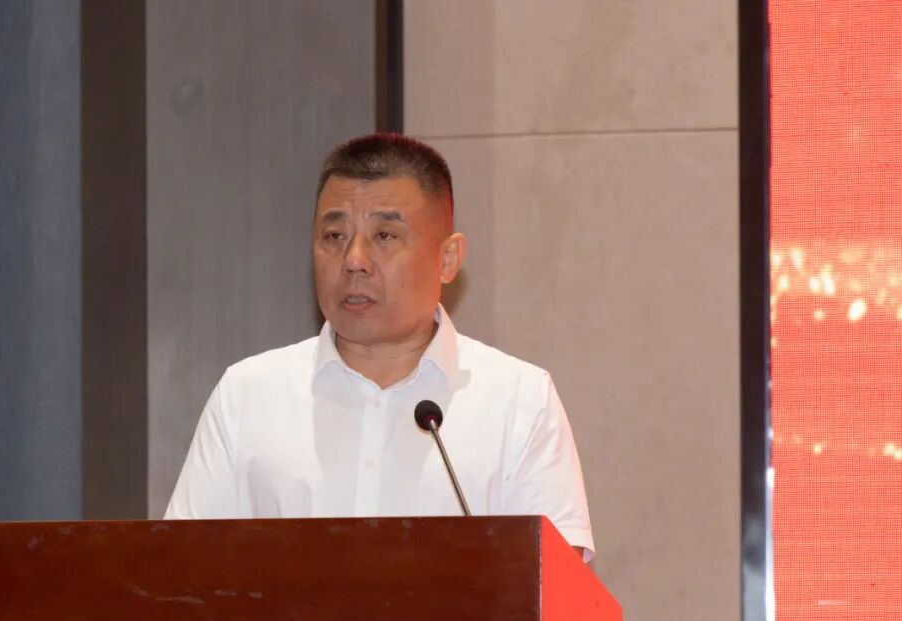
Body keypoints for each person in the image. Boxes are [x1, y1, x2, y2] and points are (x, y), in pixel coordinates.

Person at [164, 134, 594, 560]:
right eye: (334, 235)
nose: (353, 259)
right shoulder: (247, 395)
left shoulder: (519, 401)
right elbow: (181, 570)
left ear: (447, 259)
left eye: (385, 235)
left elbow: (555, 590)